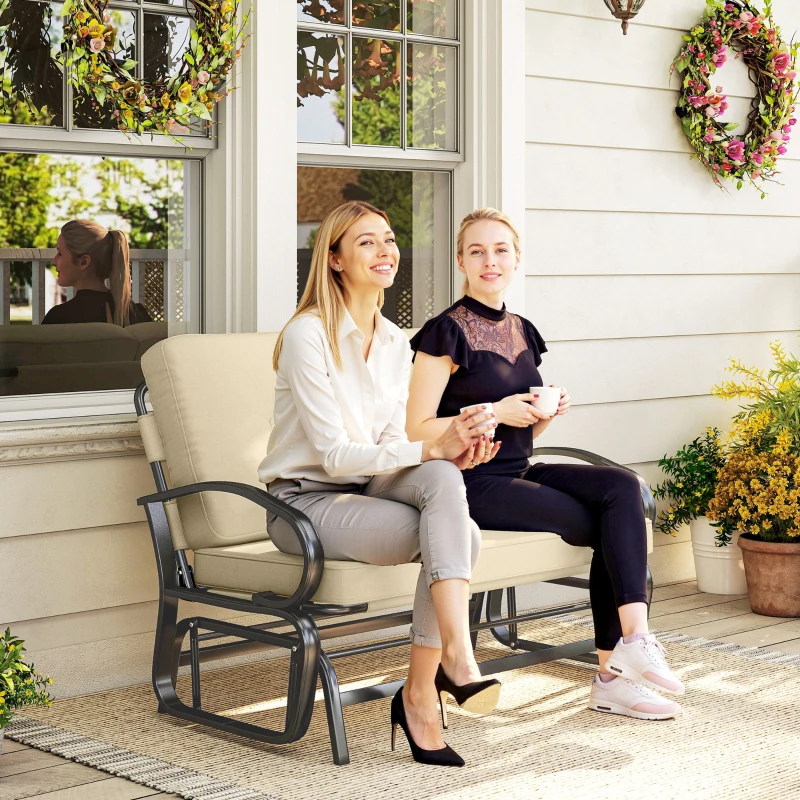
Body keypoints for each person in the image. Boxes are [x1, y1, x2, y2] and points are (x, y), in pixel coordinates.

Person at [406, 208, 685, 721]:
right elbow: (416, 430)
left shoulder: (523, 330)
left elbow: (524, 433)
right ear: (460, 261)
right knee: (606, 524)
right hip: (469, 481)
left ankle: (635, 642)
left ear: (516, 259)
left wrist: (545, 412)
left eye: (501, 250)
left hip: (521, 466)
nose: (490, 260)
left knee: (622, 487)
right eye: (477, 251)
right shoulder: (442, 333)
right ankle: (611, 676)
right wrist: (497, 411)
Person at [258, 201, 502, 767]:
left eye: (389, 239)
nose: (385, 250)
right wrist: (428, 447)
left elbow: (391, 447)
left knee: (445, 482)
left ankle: (430, 685)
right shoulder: (307, 335)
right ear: (336, 259)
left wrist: (450, 455)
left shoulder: (398, 343)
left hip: (366, 490)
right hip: (302, 504)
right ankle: (441, 677)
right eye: (366, 242)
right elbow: (336, 455)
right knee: (458, 534)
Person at [43, 220, 152, 326]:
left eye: (60, 253)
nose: (53, 261)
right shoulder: (137, 315)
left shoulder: (59, 318)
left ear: (84, 262)